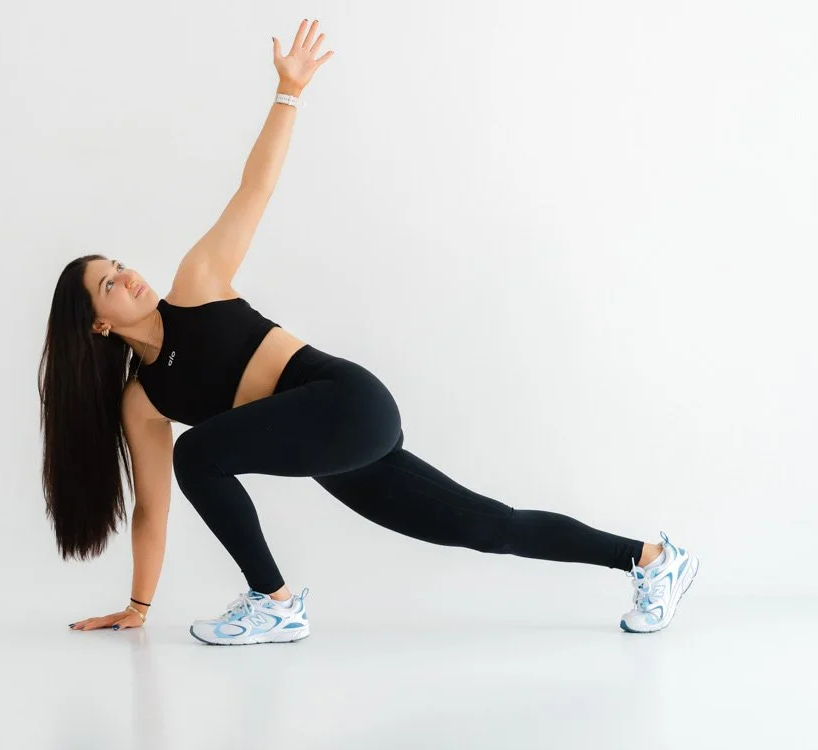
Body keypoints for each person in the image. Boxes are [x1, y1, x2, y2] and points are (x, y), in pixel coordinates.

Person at [37, 20, 699, 645]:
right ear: (97, 325)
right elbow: (154, 511)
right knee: (484, 525)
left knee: (199, 453)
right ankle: (649, 559)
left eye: (119, 266)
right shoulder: (145, 401)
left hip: (346, 402)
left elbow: (255, 187)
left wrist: (288, 92)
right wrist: (138, 608)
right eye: (108, 285)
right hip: (335, 452)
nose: (127, 277)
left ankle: (274, 603)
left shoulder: (197, 282)